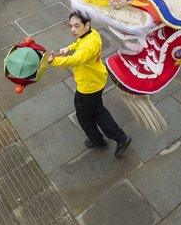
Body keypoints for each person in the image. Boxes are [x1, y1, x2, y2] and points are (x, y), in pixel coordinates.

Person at [48, 11, 132, 157]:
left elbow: (76, 59)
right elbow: (79, 43)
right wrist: (67, 48)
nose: (73, 29)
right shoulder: (92, 34)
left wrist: (54, 61)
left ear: (87, 24)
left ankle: (99, 141)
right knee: (98, 111)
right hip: (96, 80)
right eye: (71, 26)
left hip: (88, 87)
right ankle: (120, 138)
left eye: (77, 25)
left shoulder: (88, 46)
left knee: (84, 117)